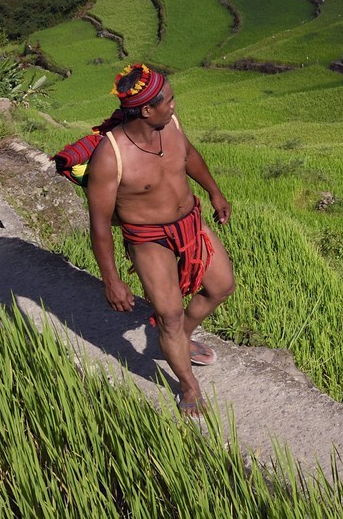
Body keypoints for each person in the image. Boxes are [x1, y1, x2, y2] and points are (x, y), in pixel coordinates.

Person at [85, 64, 235, 416]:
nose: (174, 105)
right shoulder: (111, 156)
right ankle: (187, 384)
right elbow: (100, 225)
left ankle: (177, 340)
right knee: (168, 314)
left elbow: (190, 157)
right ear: (147, 109)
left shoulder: (171, 125)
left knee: (222, 286)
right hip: (149, 238)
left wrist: (214, 192)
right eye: (169, 100)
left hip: (190, 223)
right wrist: (112, 280)